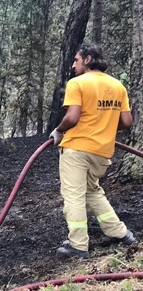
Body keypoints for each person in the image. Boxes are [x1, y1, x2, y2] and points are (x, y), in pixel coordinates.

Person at [49, 43, 136, 258]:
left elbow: (72, 117)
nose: (73, 65)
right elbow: (126, 121)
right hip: (102, 151)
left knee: (73, 195)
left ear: (88, 60)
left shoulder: (77, 83)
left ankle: (78, 246)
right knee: (92, 191)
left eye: (76, 60)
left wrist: (58, 131)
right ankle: (121, 233)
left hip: (77, 148)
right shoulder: (118, 86)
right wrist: (103, 126)